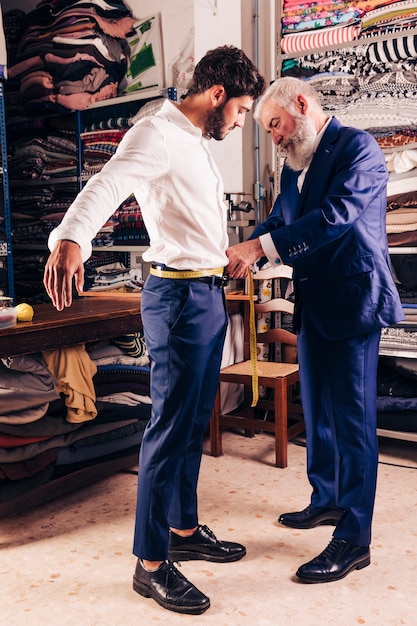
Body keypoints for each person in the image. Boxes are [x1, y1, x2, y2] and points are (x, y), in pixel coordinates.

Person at [43, 45, 265, 615]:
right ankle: (150, 563)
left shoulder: (194, 141)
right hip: (178, 298)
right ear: (217, 95)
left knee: (193, 421)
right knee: (168, 427)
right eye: (240, 110)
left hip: (208, 292)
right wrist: (70, 240)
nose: (240, 121)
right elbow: (105, 185)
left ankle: (184, 531)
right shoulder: (155, 133)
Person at [226, 76, 404, 584]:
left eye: (275, 125)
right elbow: (279, 222)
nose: (274, 137)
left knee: (351, 420)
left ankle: (354, 535)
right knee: (318, 410)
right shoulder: (293, 169)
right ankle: (325, 498)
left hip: (353, 303)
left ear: (301, 105)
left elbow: (335, 217)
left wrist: (262, 250)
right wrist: (242, 248)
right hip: (316, 305)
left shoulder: (358, 148)